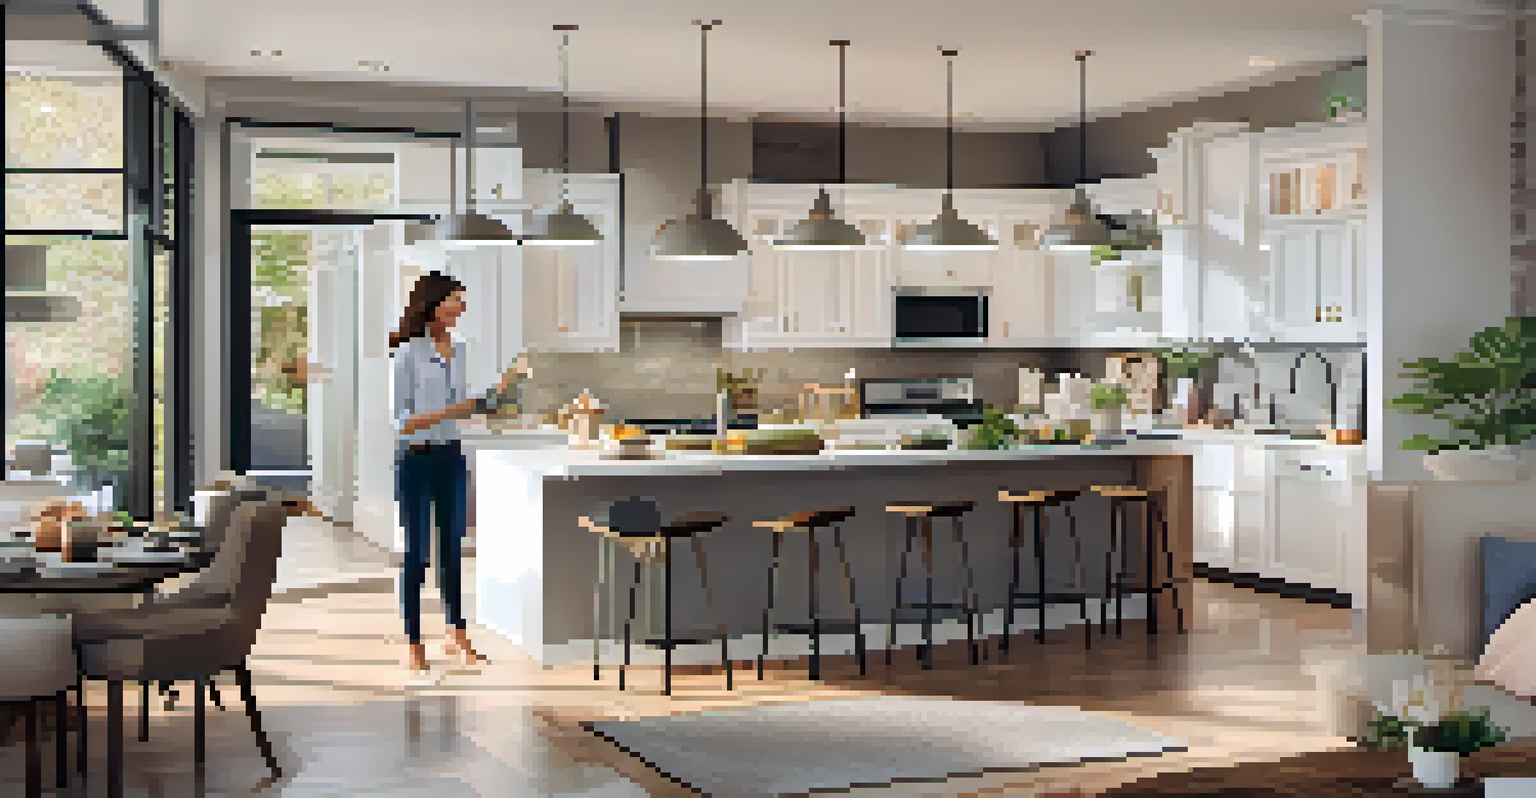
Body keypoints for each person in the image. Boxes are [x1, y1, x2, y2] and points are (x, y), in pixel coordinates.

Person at [390, 270, 527, 684]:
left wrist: (496, 396)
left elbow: (464, 406)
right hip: (414, 459)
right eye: (454, 298)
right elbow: (401, 422)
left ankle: (457, 634)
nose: (460, 306)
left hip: (451, 456)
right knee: (417, 554)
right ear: (432, 304)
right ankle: (414, 643)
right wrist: (458, 410)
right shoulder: (407, 353)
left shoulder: (460, 349)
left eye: (462, 299)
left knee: (453, 548)